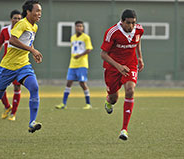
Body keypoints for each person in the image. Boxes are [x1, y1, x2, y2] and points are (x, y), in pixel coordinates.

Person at [0, 0, 43, 133]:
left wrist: (34, 51)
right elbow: (12, 40)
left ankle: (32, 122)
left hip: (23, 65)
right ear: (28, 12)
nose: (39, 13)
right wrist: (32, 50)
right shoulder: (22, 24)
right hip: (7, 67)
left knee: (34, 87)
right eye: (37, 11)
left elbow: (28, 42)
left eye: (40, 11)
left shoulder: (34, 26)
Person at [100, 9, 144, 140]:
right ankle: (109, 101)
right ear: (122, 21)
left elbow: (137, 40)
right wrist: (118, 67)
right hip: (113, 68)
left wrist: (140, 58)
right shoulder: (112, 32)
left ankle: (124, 129)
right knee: (114, 98)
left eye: (133, 23)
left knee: (130, 91)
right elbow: (103, 54)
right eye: (128, 23)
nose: (131, 26)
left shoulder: (139, 30)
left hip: (130, 65)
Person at [0, 10, 22, 121]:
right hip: (6, 64)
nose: (17, 20)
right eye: (15, 18)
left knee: (17, 86)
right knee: (0, 87)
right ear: (10, 19)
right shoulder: (5, 31)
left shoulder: (23, 31)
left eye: (19, 18)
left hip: (18, 64)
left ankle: (13, 113)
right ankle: (7, 107)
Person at [55, 21, 93, 110]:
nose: (79, 28)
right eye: (77, 26)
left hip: (82, 64)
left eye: (80, 26)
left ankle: (88, 103)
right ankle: (63, 103)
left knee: (82, 83)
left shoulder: (86, 37)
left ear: (83, 28)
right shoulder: (73, 37)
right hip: (72, 64)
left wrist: (79, 55)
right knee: (68, 82)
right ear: (75, 27)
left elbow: (89, 49)